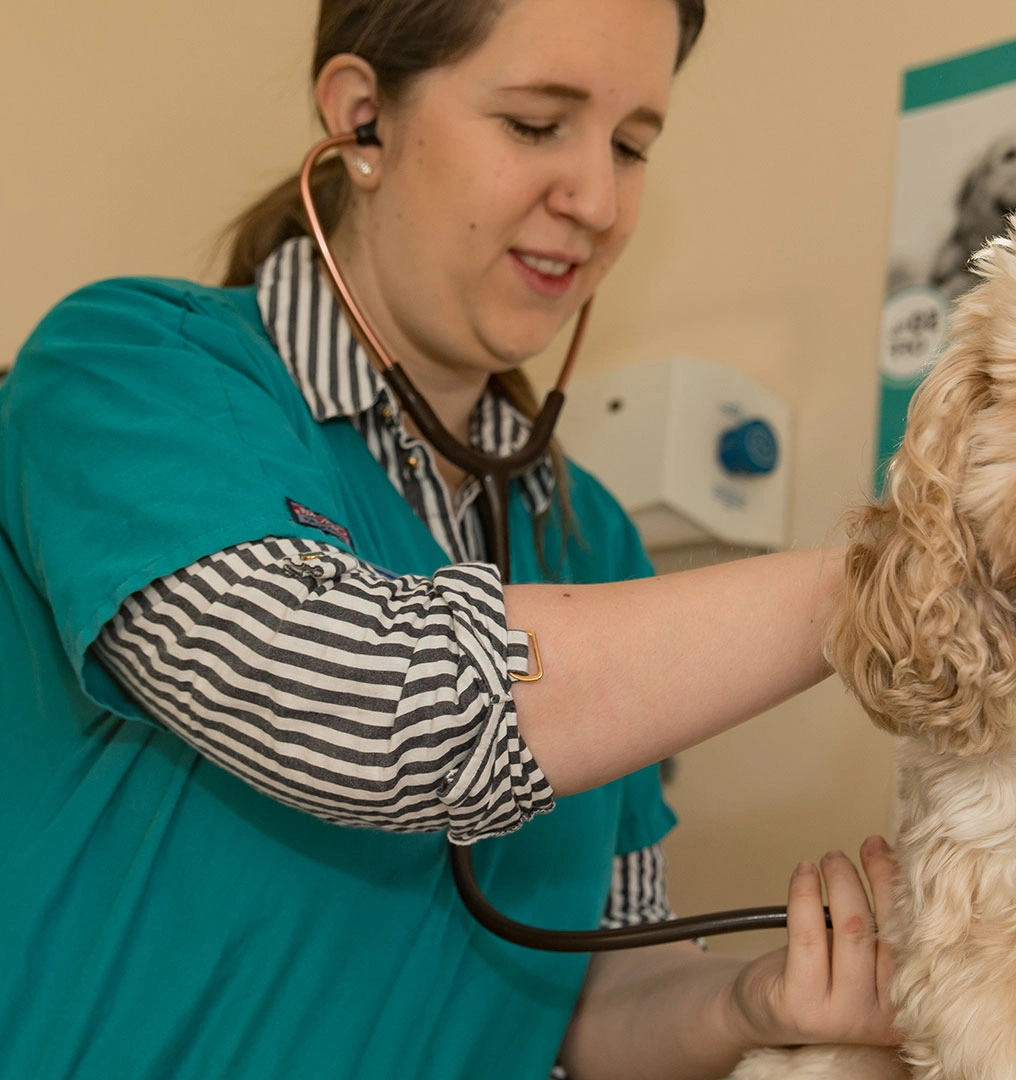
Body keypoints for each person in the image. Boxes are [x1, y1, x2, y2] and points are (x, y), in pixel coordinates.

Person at [0, 1, 905, 1077]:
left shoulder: (590, 541)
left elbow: (585, 988)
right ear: (361, 116)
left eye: (631, 145)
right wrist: (893, 586)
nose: (598, 199)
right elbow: (370, 707)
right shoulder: (130, 373)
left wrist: (755, 1001)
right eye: (535, 125)